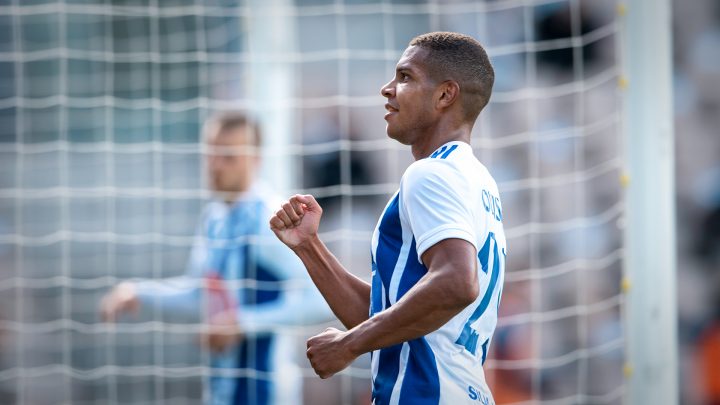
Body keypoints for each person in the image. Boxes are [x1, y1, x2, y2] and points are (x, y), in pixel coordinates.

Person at [270, 32, 506, 404]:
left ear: (445, 95)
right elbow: (393, 318)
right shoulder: (478, 181)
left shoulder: (430, 174)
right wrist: (309, 247)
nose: (387, 88)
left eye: (406, 77)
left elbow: (458, 283)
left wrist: (347, 346)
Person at [100, 112, 331, 405]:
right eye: (210, 154)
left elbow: (320, 300)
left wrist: (243, 323)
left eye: (228, 156)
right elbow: (200, 294)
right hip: (222, 387)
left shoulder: (270, 220)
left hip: (265, 390)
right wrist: (139, 292)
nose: (215, 165)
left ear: (255, 159)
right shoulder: (215, 218)